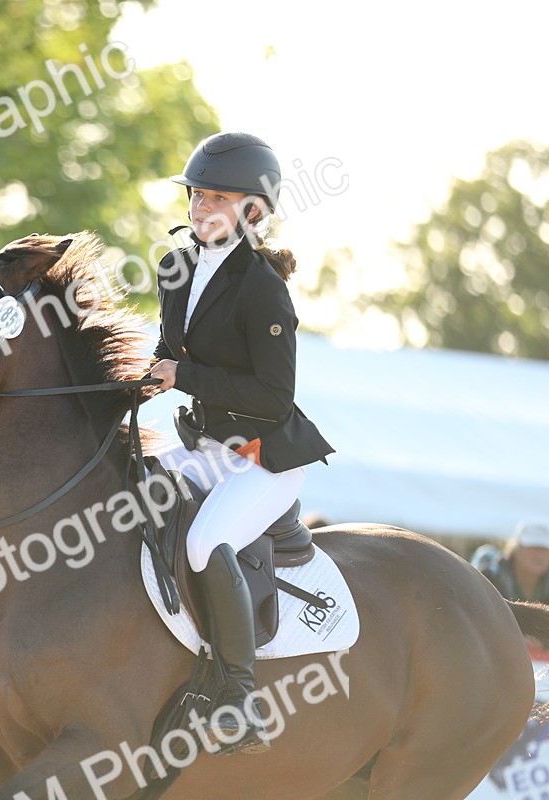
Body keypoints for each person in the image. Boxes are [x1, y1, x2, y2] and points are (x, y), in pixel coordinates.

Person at [148, 132, 335, 755]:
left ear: (253, 211)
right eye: (197, 195)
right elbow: (167, 355)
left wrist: (185, 378)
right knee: (134, 499)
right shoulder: (174, 269)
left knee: (205, 542)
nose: (200, 208)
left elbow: (274, 397)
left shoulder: (262, 287)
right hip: (206, 448)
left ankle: (239, 696)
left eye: (217, 198)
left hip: (264, 457)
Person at [473, 520, 549, 603]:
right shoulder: (488, 578)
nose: (539, 555)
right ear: (515, 549)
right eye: (532, 547)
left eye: (544, 548)